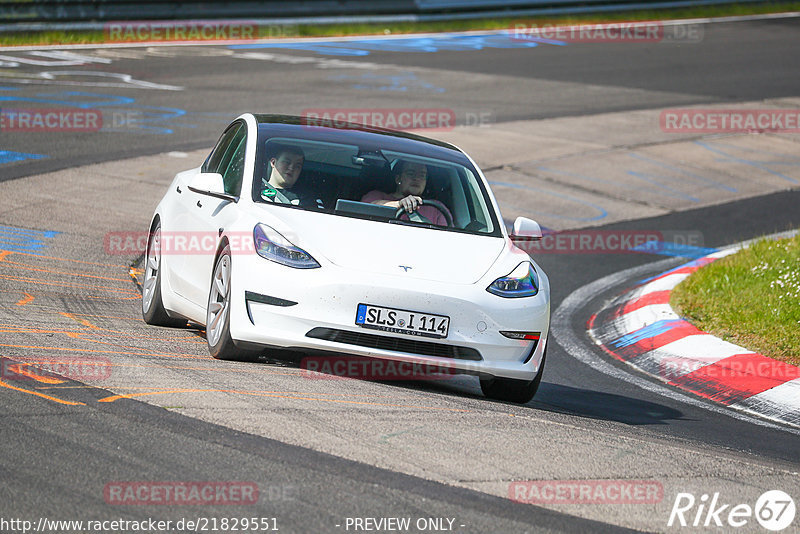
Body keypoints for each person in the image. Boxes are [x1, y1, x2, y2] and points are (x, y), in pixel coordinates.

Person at [361, 160, 451, 226]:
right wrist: (399, 204)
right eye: (411, 173)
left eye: (422, 175)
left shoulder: (436, 208)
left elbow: (447, 236)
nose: (417, 178)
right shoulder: (376, 195)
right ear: (398, 179)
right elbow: (366, 208)